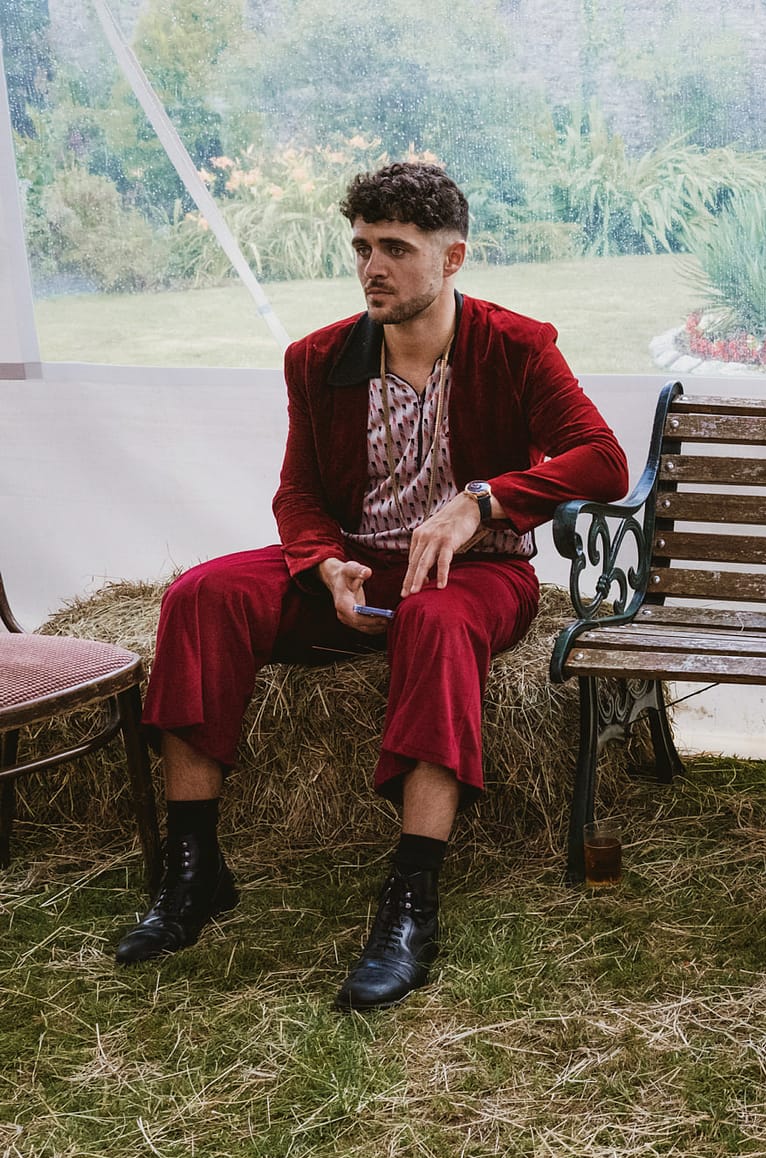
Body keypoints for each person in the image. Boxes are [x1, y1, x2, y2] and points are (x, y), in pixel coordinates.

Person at [118, 162, 629, 1010]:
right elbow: (299, 492)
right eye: (361, 247)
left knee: (432, 619)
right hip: (354, 564)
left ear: (453, 257)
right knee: (198, 597)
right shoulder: (317, 358)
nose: (372, 268)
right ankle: (193, 868)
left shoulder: (516, 345)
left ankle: (409, 901)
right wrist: (321, 561)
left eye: (396, 248)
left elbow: (603, 461)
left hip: (479, 573)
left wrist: (484, 501)